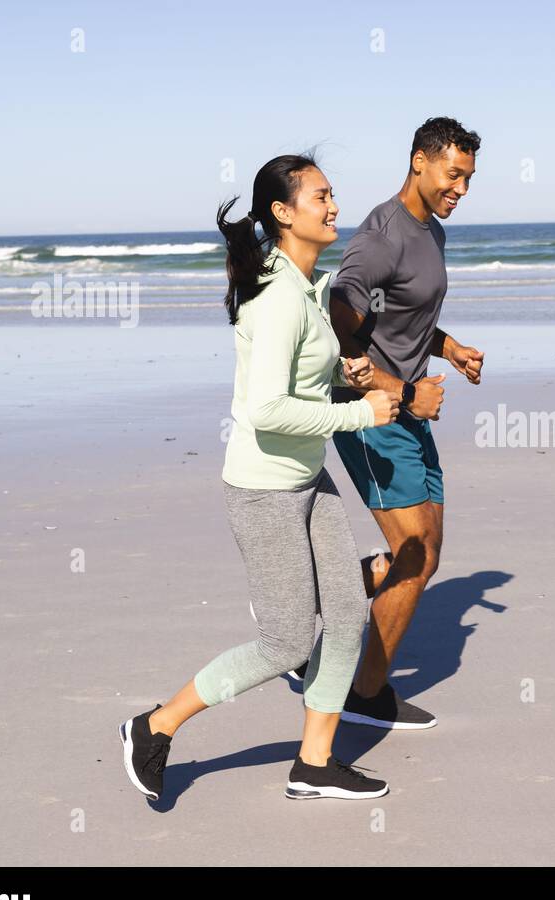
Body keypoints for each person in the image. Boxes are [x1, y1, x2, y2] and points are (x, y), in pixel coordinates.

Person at [119, 152, 401, 802]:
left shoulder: (304, 285)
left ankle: (314, 761)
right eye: (321, 197)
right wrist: (361, 410)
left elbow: (296, 380)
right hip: (264, 489)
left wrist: (340, 376)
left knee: (348, 608)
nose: (334, 206)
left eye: (333, 195)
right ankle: (153, 727)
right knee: (286, 640)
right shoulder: (278, 298)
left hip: (308, 478)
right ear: (282, 211)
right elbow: (265, 408)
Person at [327, 117, 484, 730]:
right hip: (373, 414)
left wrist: (452, 349)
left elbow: (406, 317)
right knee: (413, 551)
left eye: (469, 178)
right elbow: (345, 309)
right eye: (454, 174)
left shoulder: (431, 233)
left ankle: (339, 613)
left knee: (427, 553)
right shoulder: (382, 232)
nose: (461, 189)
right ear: (420, 160)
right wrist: (396, 390)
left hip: (410, 407)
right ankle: (362, 692)